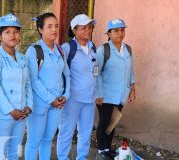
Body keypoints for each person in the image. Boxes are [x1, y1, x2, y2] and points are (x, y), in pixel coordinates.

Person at [0, 13, 33, 160]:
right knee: (0, 153)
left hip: (21, 113)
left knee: (15, 151)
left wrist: (29, 106)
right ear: (0, 36)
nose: (12, 35)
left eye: (16, 32)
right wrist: (11, 110)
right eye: (7, 32)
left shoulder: (22, 58)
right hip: (4, 115)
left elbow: (28, 85)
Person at [24, 12, 71, 160]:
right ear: (40, 29)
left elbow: (67, 75)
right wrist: (51, 99)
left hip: (57, 104)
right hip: (39, 104)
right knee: (33, 141)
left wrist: (66, 95)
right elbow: (34, 80)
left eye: (56, 26)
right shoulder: (34, 51)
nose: (54, 30)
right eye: (49, 26)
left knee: (47, 140)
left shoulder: (60, 50)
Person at [56, 14, 97, 160]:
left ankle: (82, 157)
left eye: (90, 27)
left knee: (85, 132)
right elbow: (59, 72)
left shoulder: (93, 48)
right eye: (84, 27)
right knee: (66, 131)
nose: (88, 30)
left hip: (90, 99)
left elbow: (95, 73)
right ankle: (62, 157)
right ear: (74, 30)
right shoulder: (67, 49)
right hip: (72, 99)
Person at [95, 18, 136, 160]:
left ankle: (107, 148)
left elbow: (131, 71)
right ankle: (101, 150)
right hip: (105, 94)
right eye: (116, 30)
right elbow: (97, 73)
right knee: (104, 121)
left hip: (121, 94)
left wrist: (132, 87)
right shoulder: (103, 50)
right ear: (109, 33)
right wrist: (98, 93)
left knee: (113, 122)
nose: (120, 33)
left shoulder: (128, 49)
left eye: (122, 30)